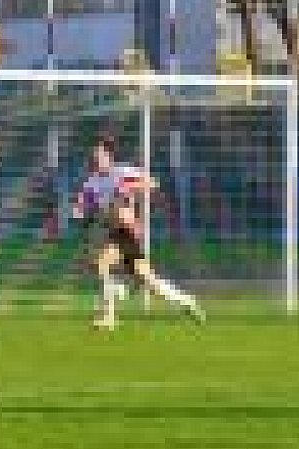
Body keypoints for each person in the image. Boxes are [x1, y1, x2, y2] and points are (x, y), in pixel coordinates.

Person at [73, 134, 205, 329]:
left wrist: (129, 187)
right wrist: (80, 209)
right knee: (149, 281)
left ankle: (110, 314)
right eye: (95, 154)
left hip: (128, 233)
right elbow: (84, 202)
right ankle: (187, 301)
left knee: (104, 264)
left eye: (100, 154)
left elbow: (153, 183)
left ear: (109, 156)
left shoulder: (122, 172)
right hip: (114, 233)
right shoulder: (92, 182)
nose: (96, 158)